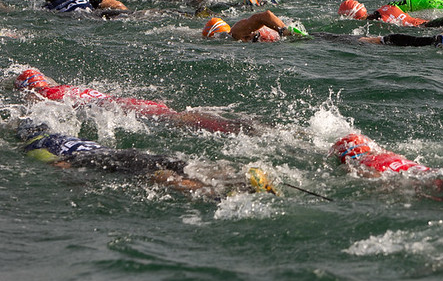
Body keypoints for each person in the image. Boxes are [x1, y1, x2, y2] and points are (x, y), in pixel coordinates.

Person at [13, 118, 278, 198]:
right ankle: (239, 176)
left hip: (108, 162)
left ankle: (218, 194)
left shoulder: (35, 146)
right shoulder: (63, 134)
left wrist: (76, 185)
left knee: (162, 179)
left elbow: (59, 164)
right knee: (183, 165)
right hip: (124, 153)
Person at [14, 68, 244, 133]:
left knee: (180, 119)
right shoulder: (65, 88)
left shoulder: (44, 97)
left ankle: (232, 128)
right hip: (126, 101)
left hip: (117, 109)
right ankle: (239, 125)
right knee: (178, 116)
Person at [329, 133, 443, 196]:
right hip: (426, 172)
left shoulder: (359, 165)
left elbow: (375, 177)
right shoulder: (388, 154)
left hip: (418, 181)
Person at [337, 0, 443, 28]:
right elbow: (428, 2)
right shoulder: (388, 6)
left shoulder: (374, 26)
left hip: (427, 28)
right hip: (429, 24)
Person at [202, 10, 307, 42]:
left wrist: (284, 31)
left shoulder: (234, 33)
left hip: (293, 38)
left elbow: (265, 15)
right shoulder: (233, 40)